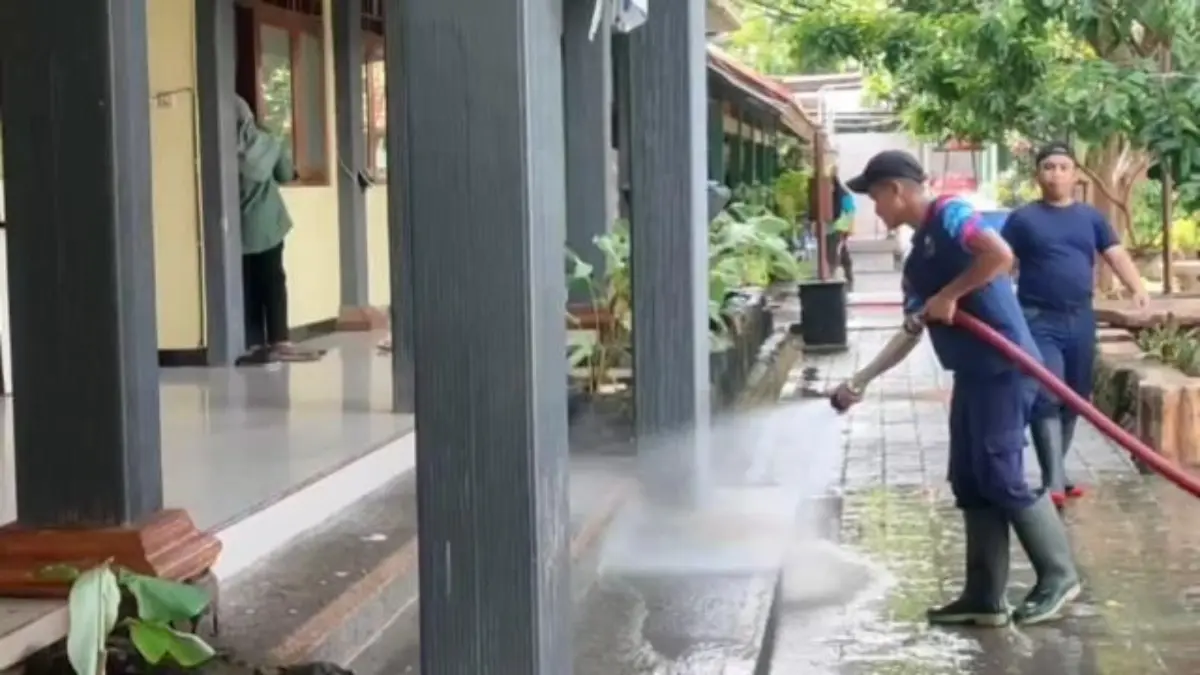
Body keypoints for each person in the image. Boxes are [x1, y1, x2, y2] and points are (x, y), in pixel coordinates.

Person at [831, 150, 1081, 627]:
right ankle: (984, 597)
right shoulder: (914, 261)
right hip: (972, 374)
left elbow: (999, 255)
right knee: (970, 478)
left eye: (874, 196)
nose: (874, 208)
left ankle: (1059, 574)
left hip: (1006, 366)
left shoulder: (951, 214)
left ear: (896, 190)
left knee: (1000, 473)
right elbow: (912, 327)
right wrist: (858, 382)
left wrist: (949, 295)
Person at [1003, 143, 1149, 508]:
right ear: (1038, 174)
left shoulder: (1091, 218)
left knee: (1076, 398)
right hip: (1038, 319)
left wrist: (1138, 287)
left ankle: (1059, 473)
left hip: (1080, 318)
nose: (1055, 174)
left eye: (1063, 167)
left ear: (1075, 174)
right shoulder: (1022, 219)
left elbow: (1114, 253)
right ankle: (1052, 480)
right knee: (1048, 393)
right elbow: (1000, 263)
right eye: (1048, 167)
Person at [235, 96, 324, 365]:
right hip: (270, 226)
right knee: (273, 281)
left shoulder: (218, 147)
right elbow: (285, 174)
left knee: (247, 284)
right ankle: (279, 339)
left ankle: (251, 340)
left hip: (237, 229)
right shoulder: (268, 141)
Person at [828, 175, 856, 289]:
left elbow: (850, 212)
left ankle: (832, 277)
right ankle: (849, 279)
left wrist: (847, 229)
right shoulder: (830, 196)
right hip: (832, 228)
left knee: (834, 253)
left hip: (840, 229)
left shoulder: (844, 195)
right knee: (842, 253)